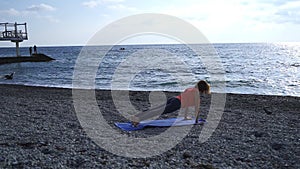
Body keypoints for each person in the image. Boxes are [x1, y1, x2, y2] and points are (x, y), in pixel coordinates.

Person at [130, 80, 210, 127]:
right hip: (177, 103)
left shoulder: (190, 89)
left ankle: (137, 116)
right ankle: (138, 119)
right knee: (158, 111)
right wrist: (196, 121)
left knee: (156, 109)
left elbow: (187, 105)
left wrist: (185, 117)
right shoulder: (196, 95)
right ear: (203, 90)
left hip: (174, 99)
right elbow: (197, 109)